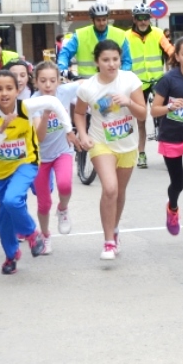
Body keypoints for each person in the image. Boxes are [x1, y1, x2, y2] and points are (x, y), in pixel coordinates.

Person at [0, 69, 73, 274]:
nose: (4, 93)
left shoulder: (26, 106)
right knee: (2, 218)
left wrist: (68, 129)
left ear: (18, 90)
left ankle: (32, 234)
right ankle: (11, 255)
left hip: (27, 163)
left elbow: (53, 102)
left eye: (9, 88)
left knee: (12, 200)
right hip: (2, 171)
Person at [73, 40, 147, 260]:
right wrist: (83, 135)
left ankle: (114, 230)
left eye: (115, 59)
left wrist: (128, 102)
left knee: (119, 192)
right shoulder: (87, 87)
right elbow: (79, 113)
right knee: (110, 188)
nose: (111, 64)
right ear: (97, 62)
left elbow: (143, 114)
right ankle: (108, 242)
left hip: (127, 144)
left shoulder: (130, 80)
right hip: (101, 142)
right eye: (106, 60)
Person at [150, 37, 183, 239]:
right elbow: (154, 110)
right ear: (178, 57)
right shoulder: (169, 80)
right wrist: (170, 107)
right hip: (171, 137)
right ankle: (172, 208)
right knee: (178, 183)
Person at [30, 62, 81, 254]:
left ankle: (63, 209)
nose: (48, 85)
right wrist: (45, 115)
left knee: (65, 185)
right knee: (44, 204)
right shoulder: (34, 102)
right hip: (40, 157)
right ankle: (45, 235)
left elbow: (87, 83)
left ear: (59, 81)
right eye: (43, 80)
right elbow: (39, 137)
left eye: (53, 80)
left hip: (62, 151)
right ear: (36, 82)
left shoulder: (64, 92)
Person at [126, 3, 175, 169]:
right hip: (137, 84)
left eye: (146, 18)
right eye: (139, 18)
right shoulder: (126, 36)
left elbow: (169, 50)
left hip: (158, 81)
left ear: (150, 19)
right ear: (134, 19)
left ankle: (168, 151)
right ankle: (141, 153)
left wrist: (176, 58)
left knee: (166, 115)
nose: (143, 21)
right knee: (141, 121)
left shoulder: (158, 33)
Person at [57, 3, 133, 79]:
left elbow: (127, 61)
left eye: (104, 20)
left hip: (112, 81)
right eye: (98, 20)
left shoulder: (119, 34)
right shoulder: (80, 35)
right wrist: (63, 69)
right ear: (92, 20)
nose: (102, 23)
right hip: (87, 82)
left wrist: (122, 76)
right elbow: (65, 53)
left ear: (107, 19)